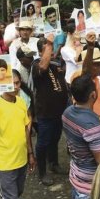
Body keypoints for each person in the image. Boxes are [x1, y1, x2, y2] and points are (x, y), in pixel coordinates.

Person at [62, 74, 100, 199]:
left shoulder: (67, 113)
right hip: (90, 185)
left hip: (76, 175)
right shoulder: (94, 128)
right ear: (93, 95)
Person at [32, 34, 69, 186]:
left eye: (52, 48)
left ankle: (53, 164)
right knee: (43, 142)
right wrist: (48, 42)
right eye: (48, 49)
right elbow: (43, 66)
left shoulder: (56, 63)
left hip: (59, 111)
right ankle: (42, 172)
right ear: (41, 52)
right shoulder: (37, 65)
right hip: (45, 112)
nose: (52, 51)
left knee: (55, 139)